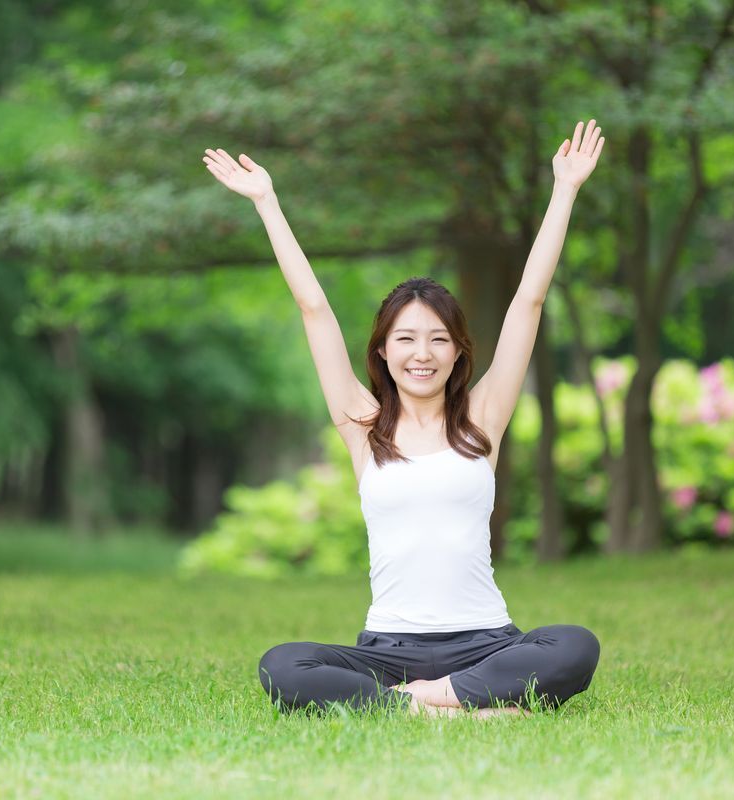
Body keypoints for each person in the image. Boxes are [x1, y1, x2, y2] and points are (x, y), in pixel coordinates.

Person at [202, 120, 605, 719]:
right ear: (384, 352)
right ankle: (464, 708)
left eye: (439, 339)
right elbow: (314, 308)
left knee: (574, 646)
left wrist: (565, 189)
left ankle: (419, 704)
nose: (423, 354)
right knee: (282, 665)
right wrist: (267, 202)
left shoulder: (482, 418)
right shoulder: (362, 425)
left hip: (485, 640)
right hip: (386, 650)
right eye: (407, 339)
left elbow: (529, 300)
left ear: (459, 352)